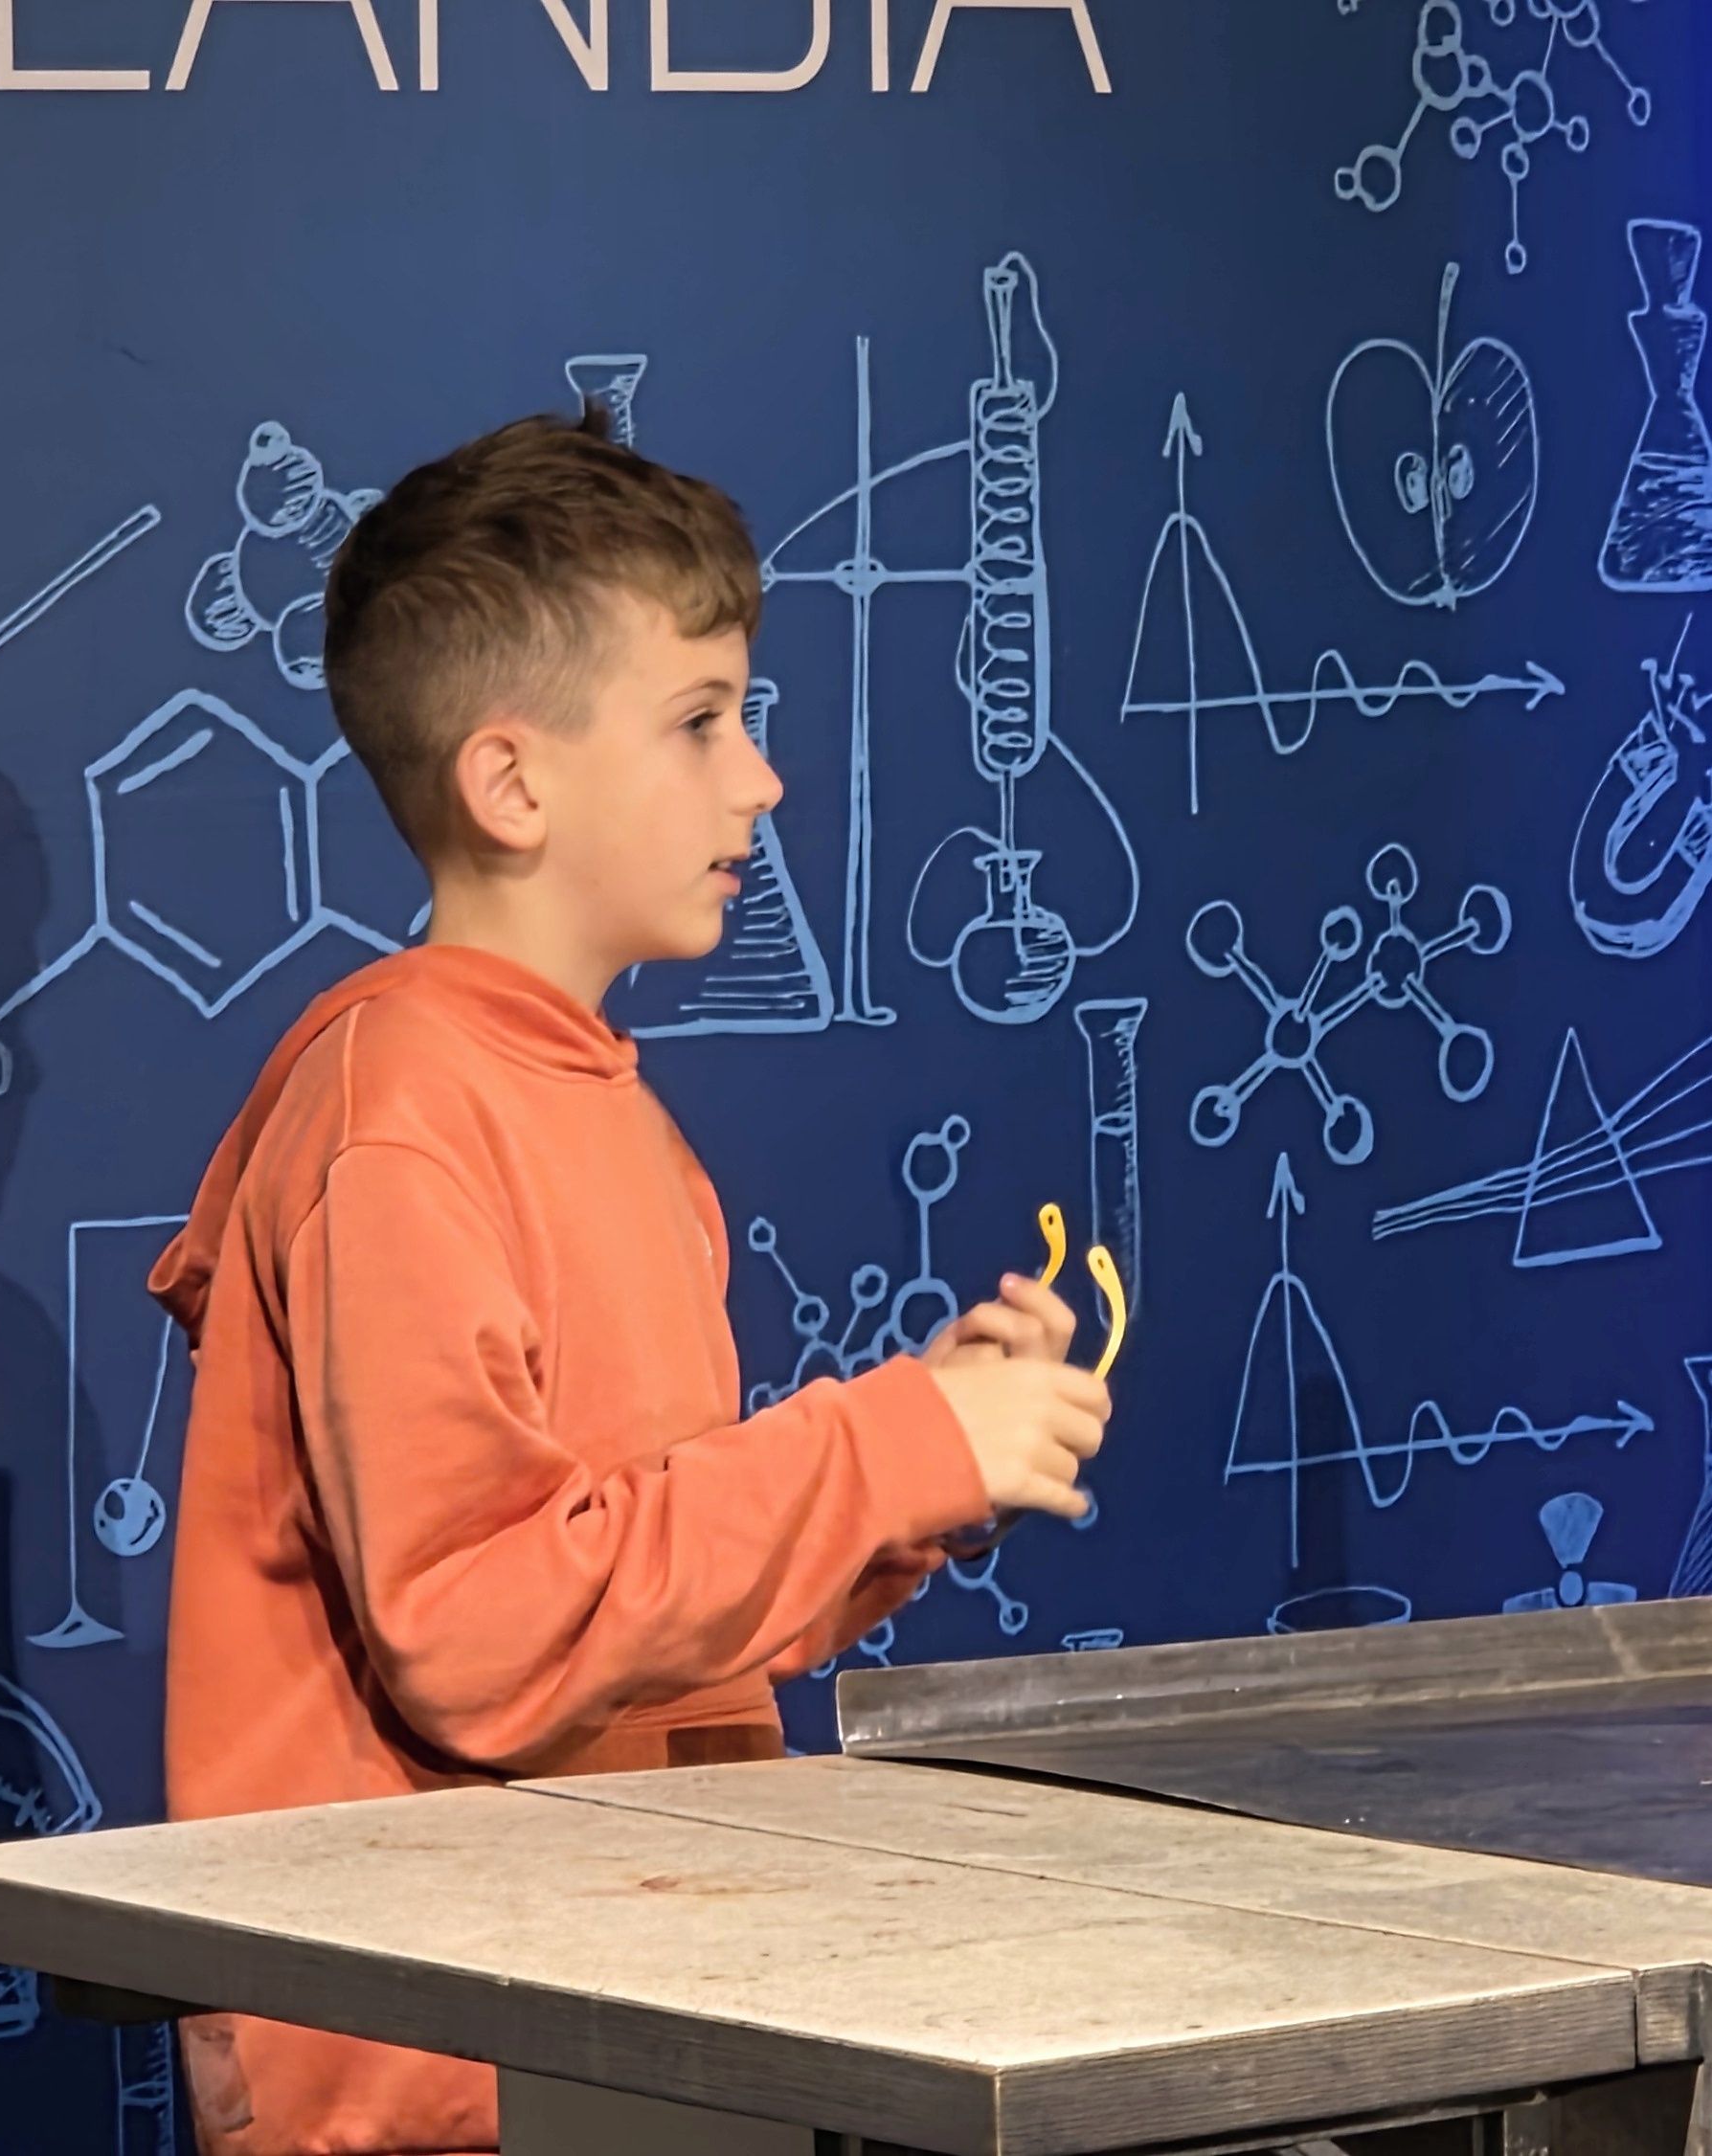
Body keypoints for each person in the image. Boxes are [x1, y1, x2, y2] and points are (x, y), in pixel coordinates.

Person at [146, 415, 1111, 2156]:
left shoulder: (617, 1116)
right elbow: (477, 1633)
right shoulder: (399, 1118)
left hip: (638, 2021)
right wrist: (889, 1448)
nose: (762, 781)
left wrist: (923, 1479)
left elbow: (645, 1609)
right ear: (511, 786)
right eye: (701, 722)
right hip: (452, 2076)